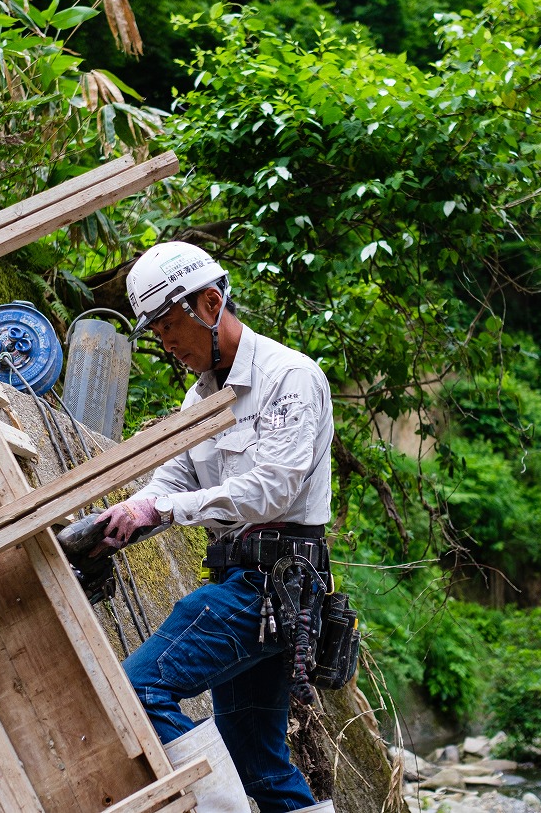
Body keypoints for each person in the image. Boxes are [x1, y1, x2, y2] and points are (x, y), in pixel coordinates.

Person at [89, 241, 335, 813]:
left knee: (139, 689)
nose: (167, 344)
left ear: (208, 302)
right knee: (258, 762)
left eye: (171, 326)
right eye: (157, 333)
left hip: (275, 583)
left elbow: (273, 488)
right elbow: (169, 479)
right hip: (251, 585)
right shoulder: (200, 398)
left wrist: (167, 510)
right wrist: (127, 513)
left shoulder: (289, 377)